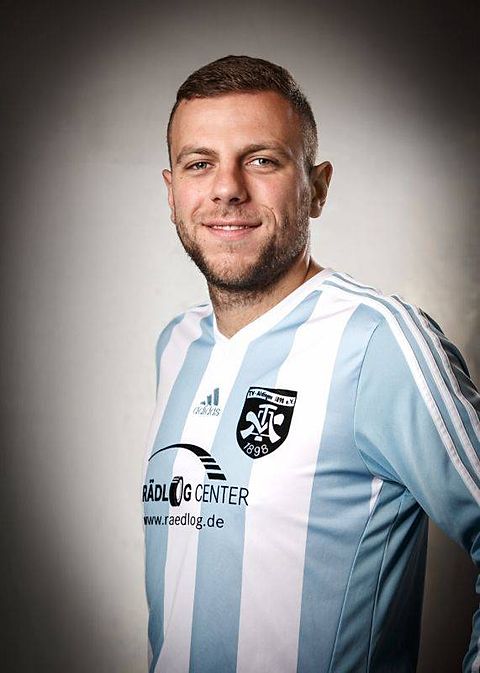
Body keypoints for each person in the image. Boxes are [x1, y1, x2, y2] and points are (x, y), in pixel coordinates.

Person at [142, 55, 480, 673]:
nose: (227, 188)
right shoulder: (177, 344)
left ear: (317, 188)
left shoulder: (380, 342)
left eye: (261, 160)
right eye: (199, 163)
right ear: (172, 192)